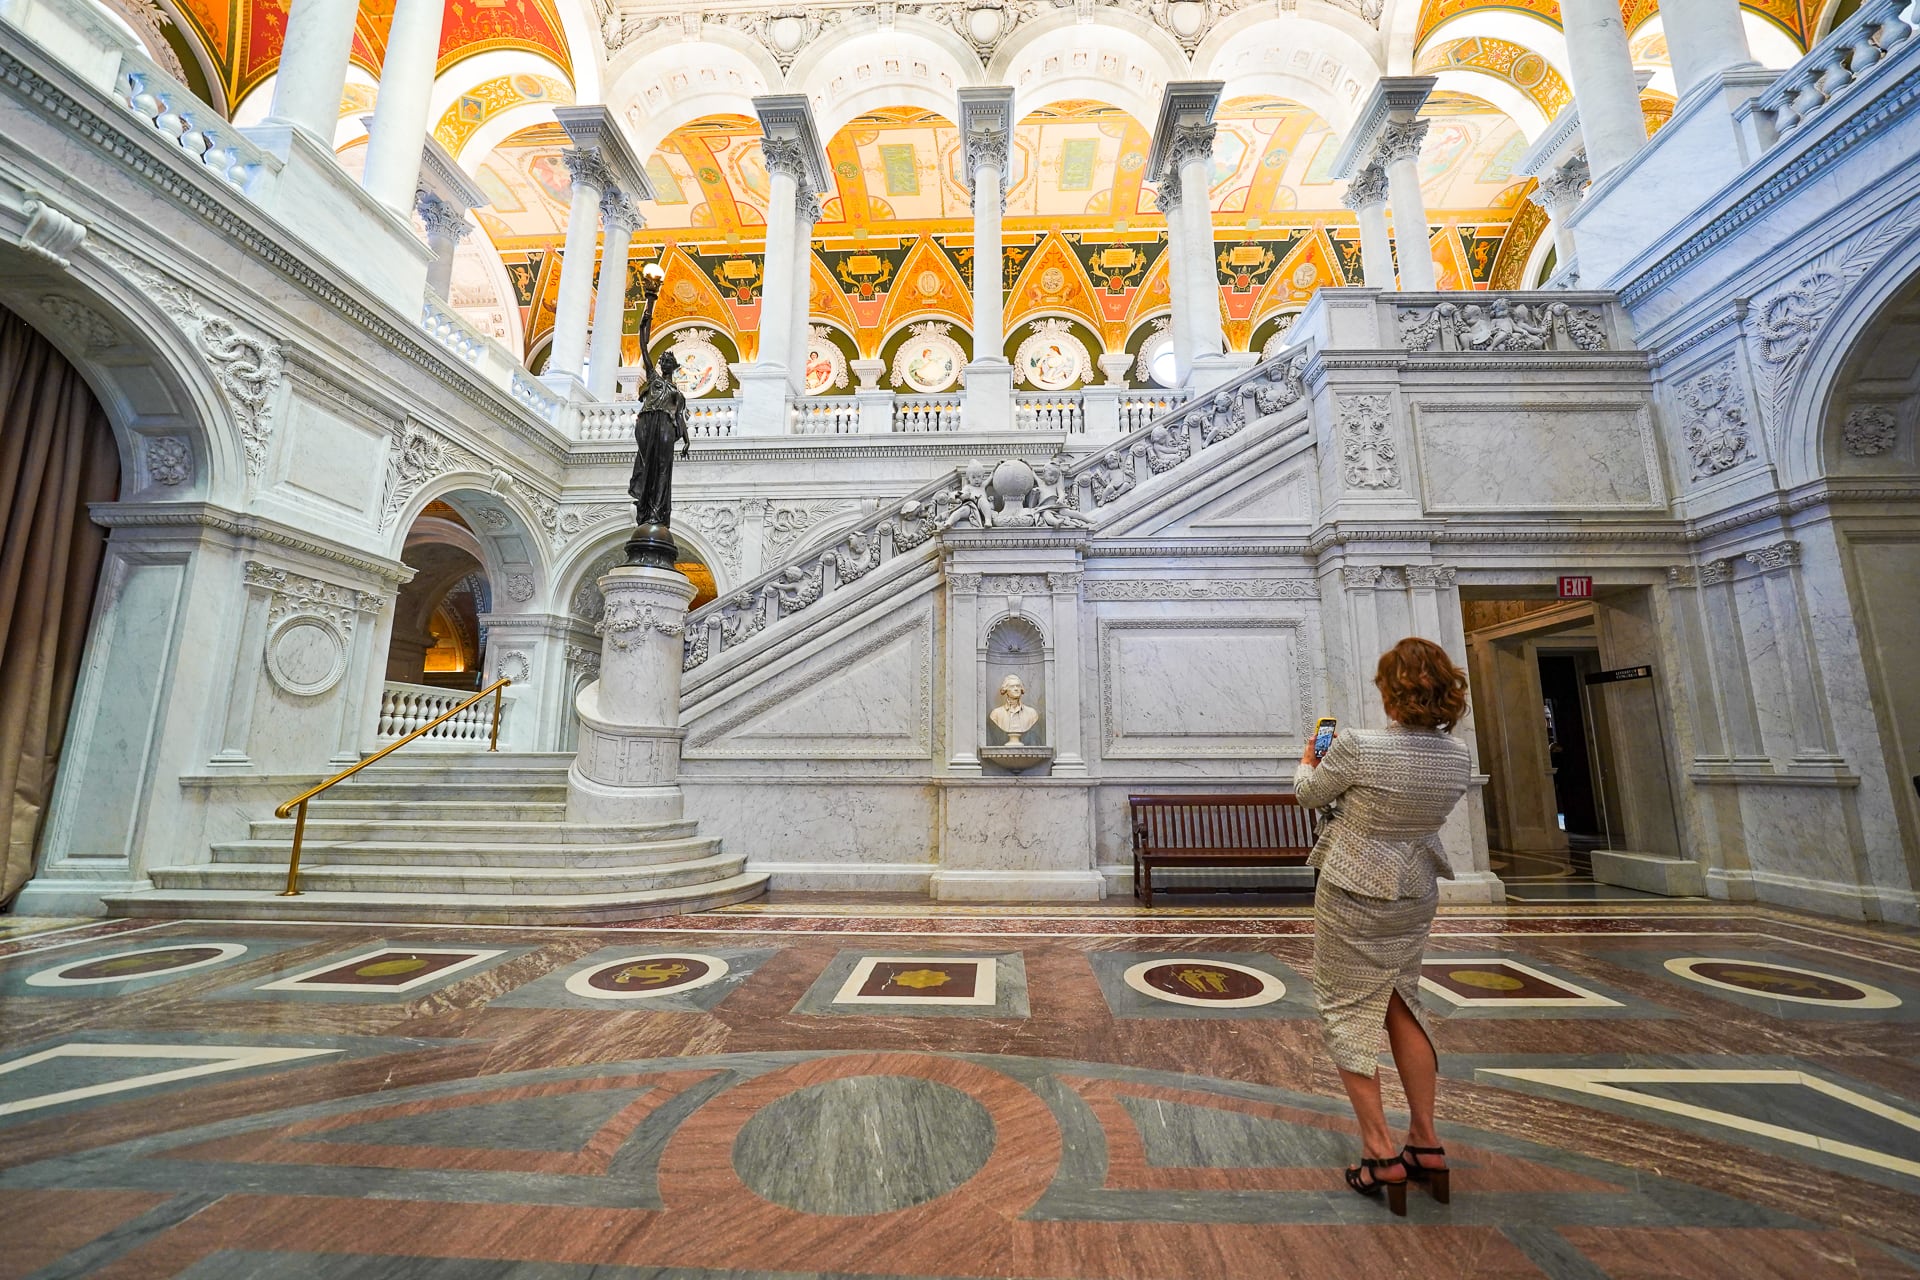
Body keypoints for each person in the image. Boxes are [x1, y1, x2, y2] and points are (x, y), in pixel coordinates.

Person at [1294, 636, 1472, 1216]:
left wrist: (1309, 757)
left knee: (1346, 1008)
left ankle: (1379, 1152)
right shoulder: (1457, 755)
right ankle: (1426, 1141)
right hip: (1415, 888)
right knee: (1403, 1000)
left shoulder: (1358, 746)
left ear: (1390, 693)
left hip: (1354, 887)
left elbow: (1308, 795)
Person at [625, 268, 691, 566]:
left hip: (665, 424)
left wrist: (686, 441)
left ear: (672, 367)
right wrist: (649, 303)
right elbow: (643, 342)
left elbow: (680, 419)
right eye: (662, 359)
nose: (662, 362)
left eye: (667, 361)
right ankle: (646, 507)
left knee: (663, 469)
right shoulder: (652, 378)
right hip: (648, 421)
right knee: (647, 463)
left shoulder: (677, 393)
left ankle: (657, 512)